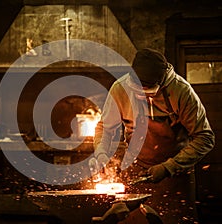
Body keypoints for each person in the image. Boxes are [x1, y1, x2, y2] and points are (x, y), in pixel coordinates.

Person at [92, 48, 215, 223]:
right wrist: (102, 153)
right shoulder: (121, 88)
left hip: (175, 173)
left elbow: (205, 137)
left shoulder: (181, 91)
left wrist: (169, 167)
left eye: (147, 88)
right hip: (137, 169)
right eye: (138, 87)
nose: (142, 92)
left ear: (161, 79)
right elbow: (104, 129)